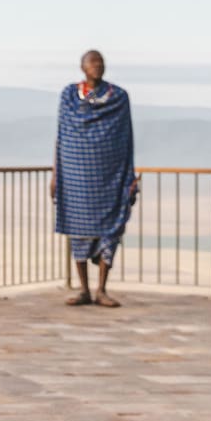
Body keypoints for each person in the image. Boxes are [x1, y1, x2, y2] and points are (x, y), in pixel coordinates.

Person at [51, 49, 139, 307]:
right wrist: (56, 173)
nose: (97, 67)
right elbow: (62, 136)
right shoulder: (69, 96)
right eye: (92, 63)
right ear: (82, 67)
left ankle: (102, 289)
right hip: (75, 175)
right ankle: (84, 289)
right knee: (78, 233)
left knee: (109, 232)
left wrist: (129, 175)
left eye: (101, 63)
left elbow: (127, 138)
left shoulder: (118, 97)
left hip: (109, 175)